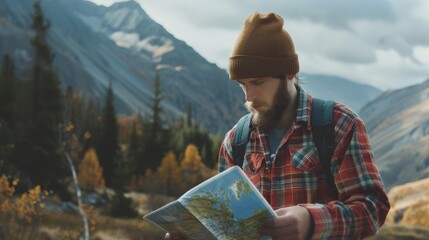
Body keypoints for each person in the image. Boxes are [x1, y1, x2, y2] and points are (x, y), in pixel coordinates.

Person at [166, 12, 390, 240]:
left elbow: (373, 208)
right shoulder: (236, 141)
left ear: (290, 72)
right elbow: (227, 229)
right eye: (242, 84)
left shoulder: (339, 125)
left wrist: (310, 220)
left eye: (258, 82)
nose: (249, 96)